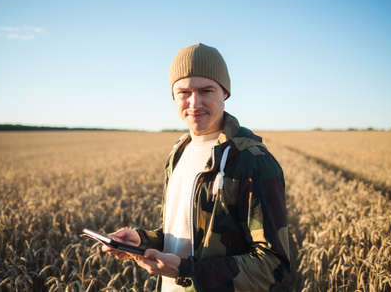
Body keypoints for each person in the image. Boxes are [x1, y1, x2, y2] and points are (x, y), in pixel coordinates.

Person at [102, 43, 290, 292]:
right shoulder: (179, 152)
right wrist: (143, 240)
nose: (194, 102)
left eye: (206, 90)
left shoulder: (251, 160)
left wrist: (186, 270)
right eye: (184, 92)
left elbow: (272, 266)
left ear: (225, 92)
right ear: (172, 96)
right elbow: (191, 234)